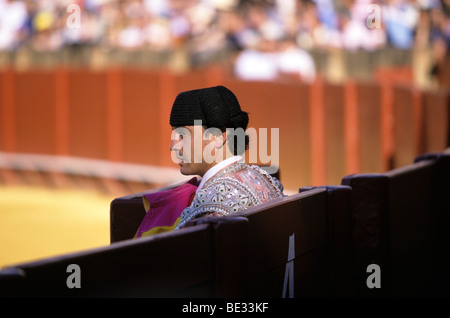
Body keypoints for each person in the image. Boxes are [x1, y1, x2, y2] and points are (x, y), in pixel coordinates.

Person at [135, 85, 284, 237]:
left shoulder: (211, 208)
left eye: (183, 134)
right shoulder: (263, 178)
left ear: (218, 136)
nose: (172, 145)